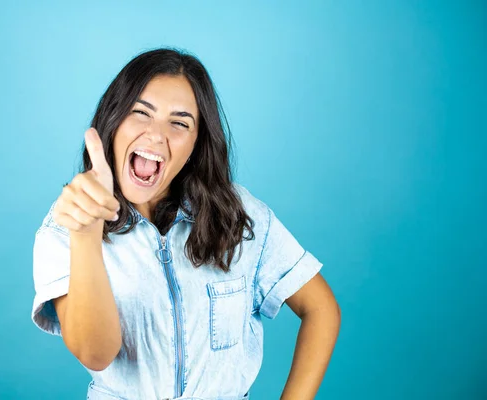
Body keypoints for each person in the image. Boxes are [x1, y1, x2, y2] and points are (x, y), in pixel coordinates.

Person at [31, 48, 340, 400]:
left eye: (179, 123)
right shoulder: (65, 225)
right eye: (140, 113)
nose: (155, 134)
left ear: (196, 143)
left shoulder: (236, 213)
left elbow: (321, 308)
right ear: (113, 122)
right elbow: (95, 353)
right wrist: (86, 234)